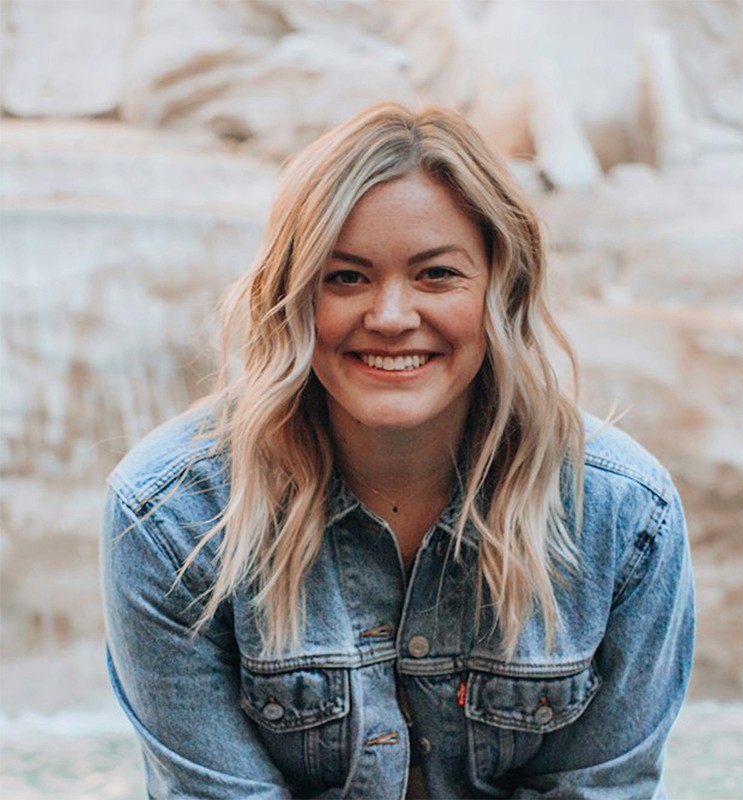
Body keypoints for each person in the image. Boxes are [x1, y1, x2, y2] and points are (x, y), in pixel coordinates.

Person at [101, 103, 694, 800]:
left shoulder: (625, 518)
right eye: (345, 277)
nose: (389, 317)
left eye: (436, 275)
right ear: (293, 297)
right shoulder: (171, 519)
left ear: (501, 290)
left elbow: (602, 789)